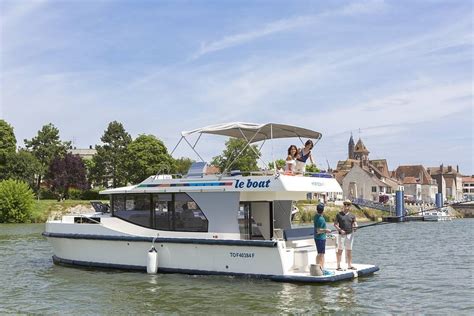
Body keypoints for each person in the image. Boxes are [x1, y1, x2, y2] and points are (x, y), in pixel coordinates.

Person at [334, 199, 358, 271]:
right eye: (345, 204)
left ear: (350, 206)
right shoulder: (339, 214)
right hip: (341, 235)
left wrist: (355, 227)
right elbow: (335, 224)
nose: (346, 206)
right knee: (340, 250)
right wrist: (340, 230)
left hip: (350, 235)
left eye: (348, 204)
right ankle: (338, 266)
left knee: (349, 250)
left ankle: (350, 265)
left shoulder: (352, 215)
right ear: (343, 205)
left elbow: (355, 223)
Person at [314, 203, 332, 272]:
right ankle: (322, 268)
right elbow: (318, 230)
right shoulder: (321, 219)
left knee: (319, 253)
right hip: (320, 238)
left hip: (317, 237)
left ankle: (318, 267)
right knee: (321, 254)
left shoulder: (316, 216)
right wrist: (326, 230)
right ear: (323, 210)